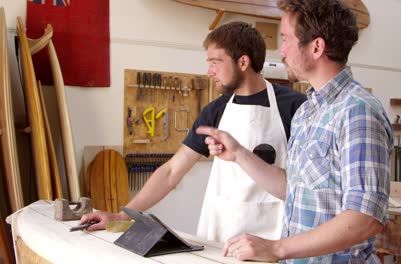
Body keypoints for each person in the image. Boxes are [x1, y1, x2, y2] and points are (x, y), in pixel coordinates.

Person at [196, 0, 393, 262]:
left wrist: (277, 248)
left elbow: (365, 218)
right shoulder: (307, 112)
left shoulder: (357, 111)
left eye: (287, 39)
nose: (282, 51)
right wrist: (239, 153)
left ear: (316, 47)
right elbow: (294, 189)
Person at [80, 21, 307, 243]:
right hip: (221, 237)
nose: (209, 72)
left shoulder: (295, 107)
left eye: (215, 62)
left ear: (243, 62)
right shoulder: (216, 110)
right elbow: (171, 171)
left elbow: (304, 186)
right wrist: (123, 215)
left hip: (273, 238)